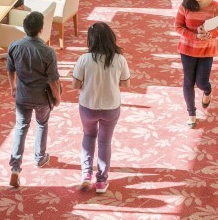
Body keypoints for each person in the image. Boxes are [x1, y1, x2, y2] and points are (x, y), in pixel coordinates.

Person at [72, 22, 130, 194]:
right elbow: (125, 83)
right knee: (105, 142)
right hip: (111, 107)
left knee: (89, 136)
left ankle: (85, 175)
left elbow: (75, 84)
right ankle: (101, 182)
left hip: (88, 106)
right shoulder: (119, 59)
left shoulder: (84, 59)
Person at [7, 11, 62, 188]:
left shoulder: (14, 46)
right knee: (41, 124)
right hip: (42, 97)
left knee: (21, 127)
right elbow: (53, 80)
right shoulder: (48, 52)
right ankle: (39, 158)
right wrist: (57, 97)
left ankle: (15, 167)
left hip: (22, 96)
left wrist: (13, 86)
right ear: (41, 29)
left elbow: (10, 70)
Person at [174, 0, 218, 128]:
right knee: (188, 82)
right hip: (187, 49)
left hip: (206, 50)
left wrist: (211, 34)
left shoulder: (216, 7)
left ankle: (208, 91)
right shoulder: (186, 5)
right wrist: (194, 36)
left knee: (202, 82)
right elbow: (178, 27)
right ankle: (191, 114)